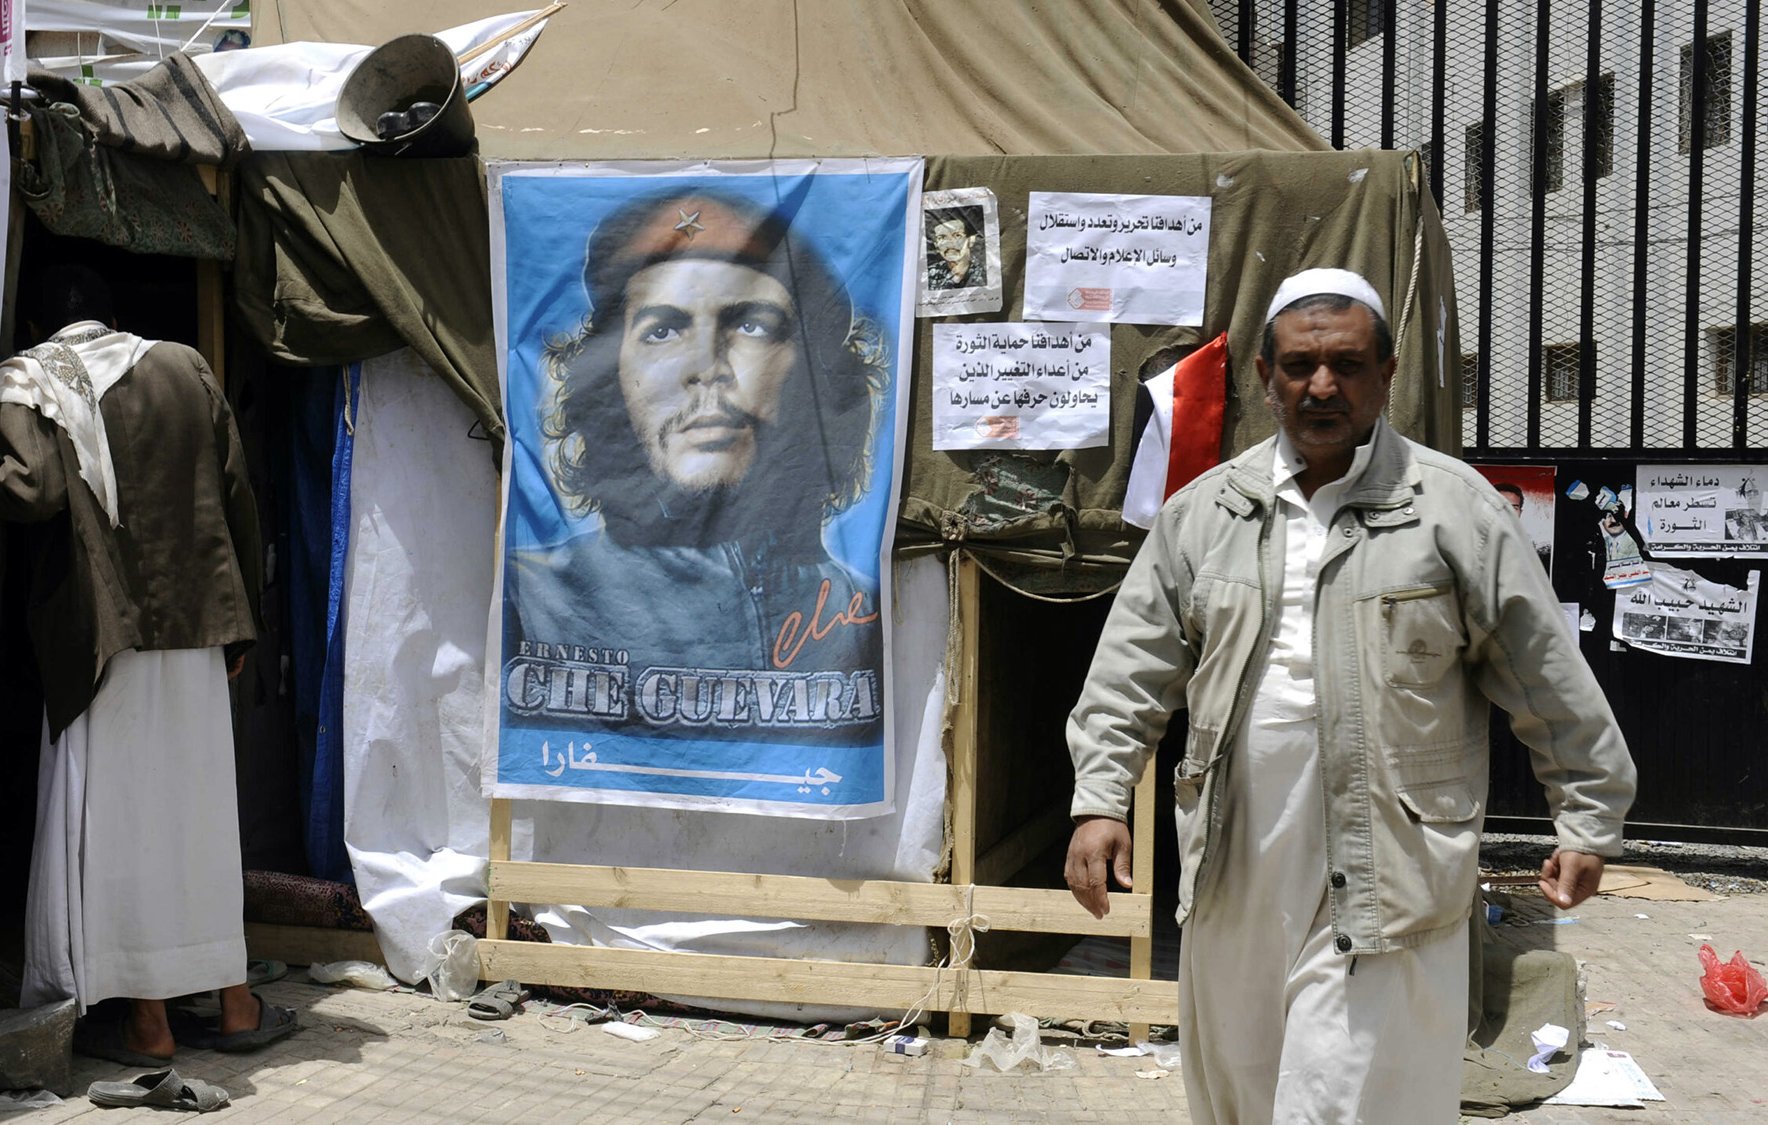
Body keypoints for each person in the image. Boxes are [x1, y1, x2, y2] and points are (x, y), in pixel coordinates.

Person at [1063, 268, 1635, 1123]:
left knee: (1343, 1100)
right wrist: (1101, 795)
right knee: (1239, 1092)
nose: (1321, 385)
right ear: (1265, 377)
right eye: (1299, 365)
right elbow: (1131, 667)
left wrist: (1588, 815)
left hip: (1390, 865)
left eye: (1346, 363)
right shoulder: (1207, 513)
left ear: (1387, 373)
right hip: (1235, 861)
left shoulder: (1452, 511)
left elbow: (1543, 671)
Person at [1, 265, 296, 1063]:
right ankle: (236, 1006)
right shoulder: (183, 365)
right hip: (198, 631)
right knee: (197, 823)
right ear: (112, 316)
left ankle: (150, 1023)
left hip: (106, 635)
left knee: (121, 828)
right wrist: (241, 631)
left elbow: (28, 491)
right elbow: (236, 492)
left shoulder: (30, 380)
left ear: (38, 322)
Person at [505, 190, 889, 742]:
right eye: (662, 330)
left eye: (752, 326)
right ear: (611, 382)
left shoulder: (873, 619)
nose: (707, 368)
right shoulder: (528, 603)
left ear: (816, 376)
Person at [926, 211, 984, 290]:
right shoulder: (929, 274)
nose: (950, 243)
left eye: (957, 235)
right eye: (942, 237)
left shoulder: (985, 273)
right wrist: (955, 279)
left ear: (970, 240)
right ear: (936, 245)